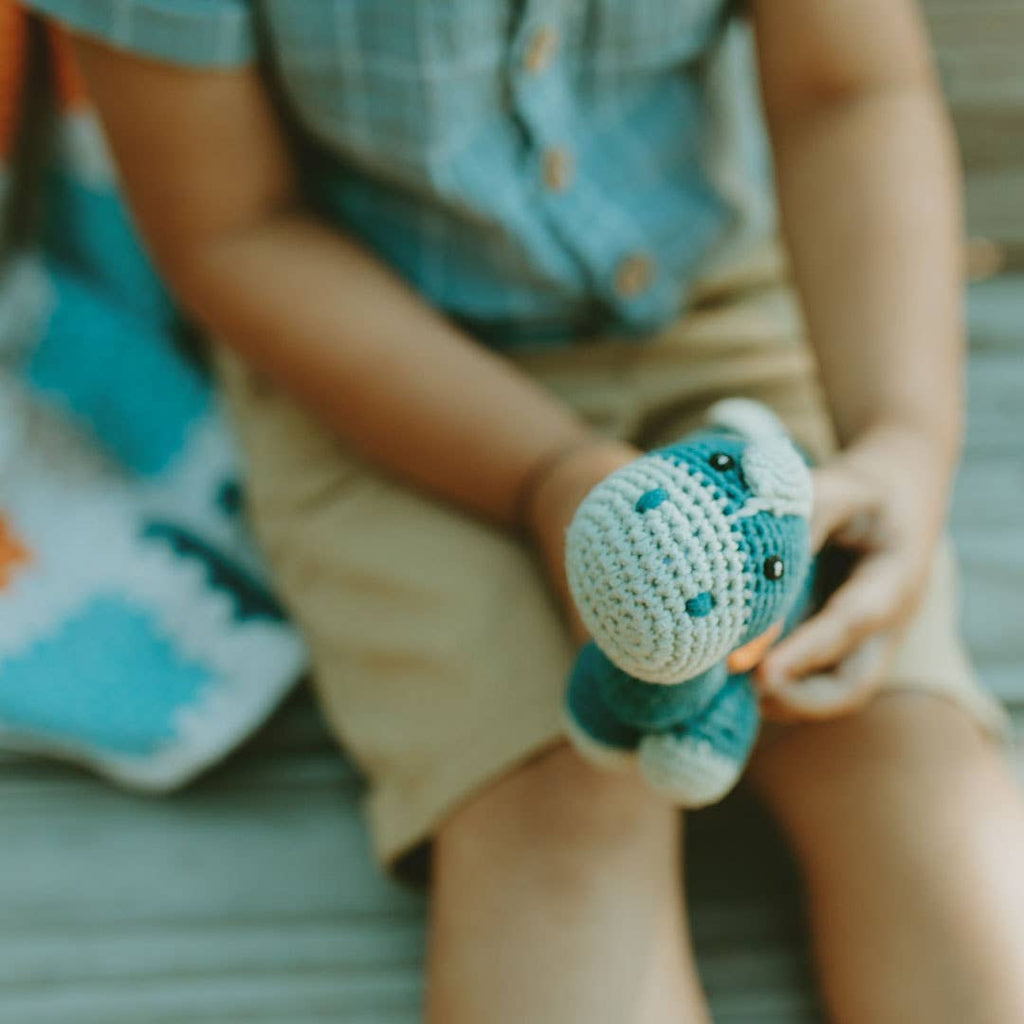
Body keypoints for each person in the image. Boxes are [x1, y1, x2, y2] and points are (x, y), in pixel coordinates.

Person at [27, 0, 1024, 1019]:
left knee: (896, 747)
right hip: (373, 372)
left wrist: (899, 440)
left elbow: (846, 93)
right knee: (558, 802)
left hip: (713, 304)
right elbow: (233, 232)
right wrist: (547, 475)